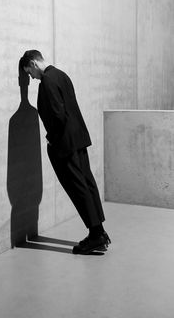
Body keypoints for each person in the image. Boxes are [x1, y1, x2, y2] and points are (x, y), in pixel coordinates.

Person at [19, 50, 111, 254]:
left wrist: (52, 141)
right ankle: (100, 231)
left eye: (29, 73)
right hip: (78, 139)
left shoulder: (47, 82)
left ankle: (96, 235)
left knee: (78, 188)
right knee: (87, 184)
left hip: (65, 144)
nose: (32, 78)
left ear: (34, 63)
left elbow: (58, 116)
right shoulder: (61, 75)